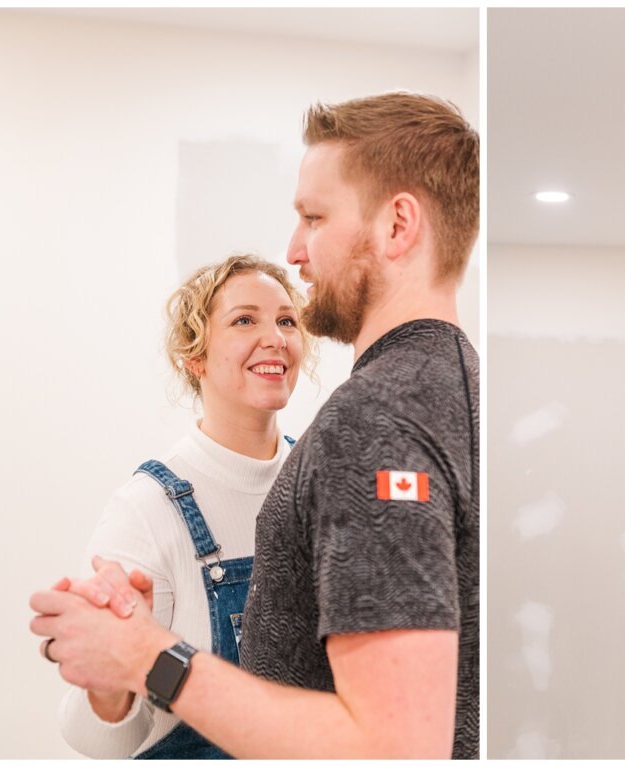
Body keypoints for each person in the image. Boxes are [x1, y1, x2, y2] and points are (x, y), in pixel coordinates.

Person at [30, 91, 480, 759]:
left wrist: (147, 654)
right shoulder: (456, 381)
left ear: (397, 225)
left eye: (313, 216)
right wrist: (114, 664)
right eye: (244, 319)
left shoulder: (368, 425)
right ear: (194, 353)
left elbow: (396, 744)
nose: (296, 248)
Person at [54, 254, 312, 758]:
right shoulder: (148, 511)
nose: (276, 337)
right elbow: (94, 740)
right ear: (194, 357)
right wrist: (112, 681)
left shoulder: (325, 483)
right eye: (244, 320)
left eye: (286, 320)